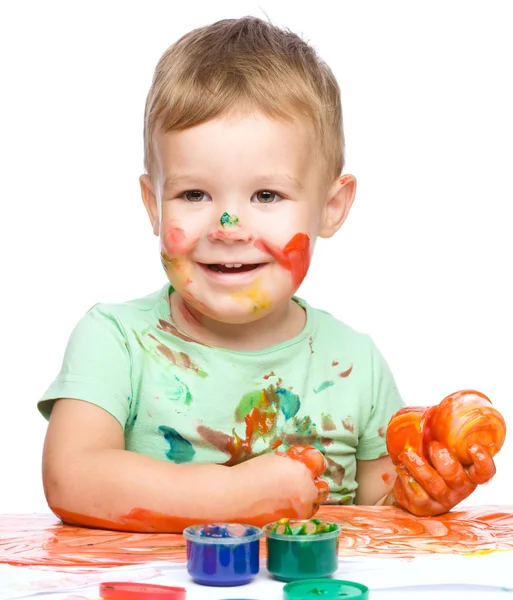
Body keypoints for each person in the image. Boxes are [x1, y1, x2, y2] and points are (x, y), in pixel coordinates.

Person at [38, 16, 495, 533]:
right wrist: (240, 495)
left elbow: (378, 514)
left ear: (331, 206)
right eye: (194, 194)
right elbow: (71, 478)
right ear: (153, 205)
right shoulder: (116, 341)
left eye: (266, 195)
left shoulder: (356, 365)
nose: (229, 227)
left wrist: (421, 494)